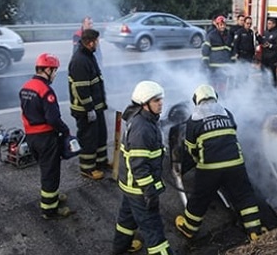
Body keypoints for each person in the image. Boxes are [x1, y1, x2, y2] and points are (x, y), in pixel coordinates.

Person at [175, 84, 265, 242]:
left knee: (200, 198)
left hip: (210, 168)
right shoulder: (227, 113)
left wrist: (199, 162)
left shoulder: (193, 120)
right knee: (244, 195)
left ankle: (189, 228)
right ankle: (255, 231)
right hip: (235, 164)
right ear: (214, 96)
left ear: (197, 100)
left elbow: (190, 148)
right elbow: (233, 134)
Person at [112, 81, 173, 255]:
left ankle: (119, 249)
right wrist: (149, 192)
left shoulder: (143, 119)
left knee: (126, 221)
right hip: (139, 190)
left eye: (160, 99)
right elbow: (139, 166)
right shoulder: (142, 129)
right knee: (154, 233)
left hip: (130, 186)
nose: (161, 103)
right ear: (144, 104)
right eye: (155, 100)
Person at [19, 53, 73, 220]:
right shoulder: (46, 90)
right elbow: (53, 118)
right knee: (50, 173)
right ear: (47, 69)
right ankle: (49, 210)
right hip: (45, 137)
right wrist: (65, 130)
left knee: (45, 169)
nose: (55, 74)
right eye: (55, 71)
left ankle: (53, 197)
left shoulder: (26, 87)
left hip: (31, 136)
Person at [68, 29, 108, 180]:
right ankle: (88, 168)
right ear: (91, 42)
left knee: (100, 135)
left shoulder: (89, 55)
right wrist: (89, 109)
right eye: (97, 41)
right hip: (85, 110)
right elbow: (82, 88)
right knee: (88, 138)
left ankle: (101, 162)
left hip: (96, 107)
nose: (98, 44)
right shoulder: (80, 61)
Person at [201, 15, 237, 93]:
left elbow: (232, 50)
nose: (222, 26)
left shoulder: (229, 36)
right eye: (220, 24)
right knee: (213, 85)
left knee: (223, 85)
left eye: (224, 24)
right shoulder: (211, 35)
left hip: (225, 66)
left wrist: (233, 63)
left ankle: (223, 99)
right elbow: (205, 50)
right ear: (217, 25)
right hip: (214, 66)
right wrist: (206, 64)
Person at [257, 18, 277, 87]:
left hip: (273, 57)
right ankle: (264, 86)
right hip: (264, 56)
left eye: (269, 23)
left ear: (274, 24)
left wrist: (271, 46)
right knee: (263, 72)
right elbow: (262, 42)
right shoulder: (266, 32)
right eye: (267, 23)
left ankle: (273, 87)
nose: (268, 25)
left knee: (272, 73)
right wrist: (258, 36)